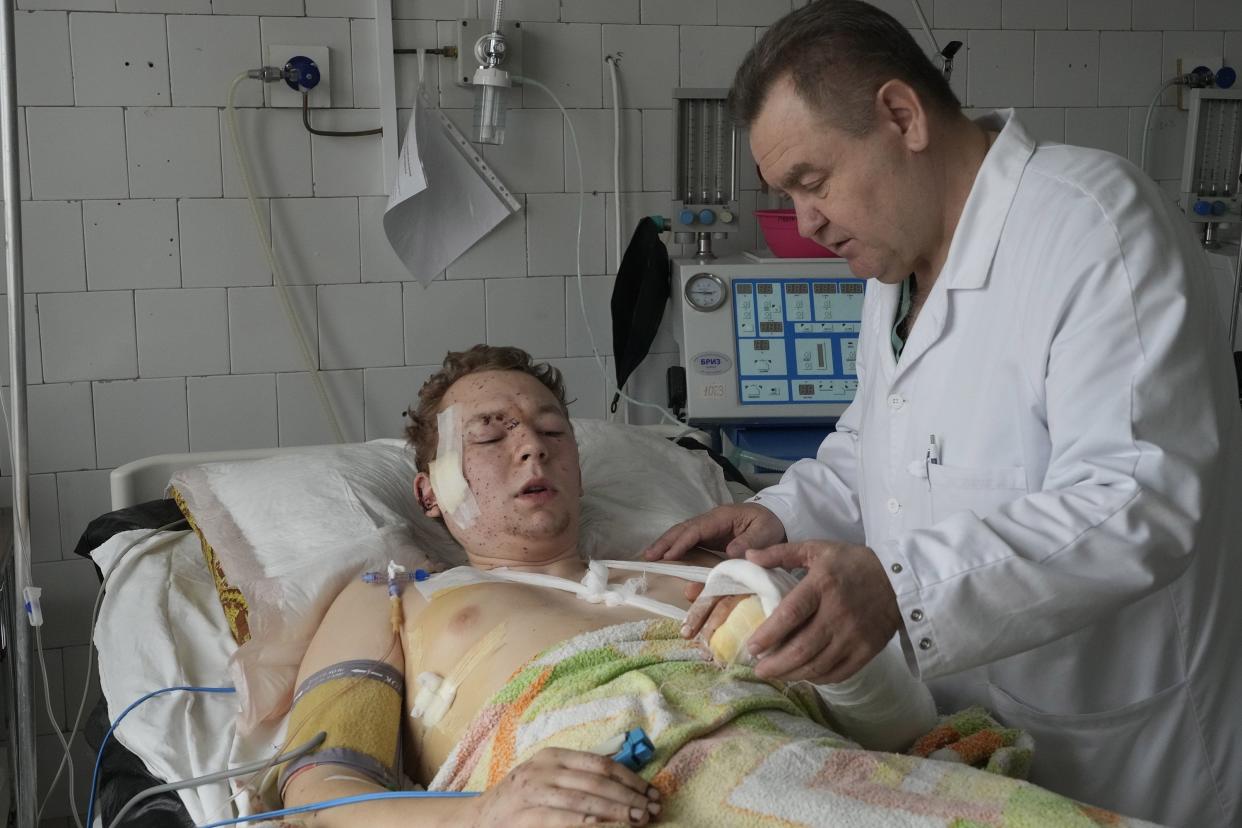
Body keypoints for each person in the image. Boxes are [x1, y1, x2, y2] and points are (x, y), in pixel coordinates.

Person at [643, 2, 1242, 826]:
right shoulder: (895, 265)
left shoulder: (1092, 226)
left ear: (901, 115)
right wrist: (772, 516)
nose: (805, 221)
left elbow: (1139, 497)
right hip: (956, 744)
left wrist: (901, 588)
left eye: (812, 182)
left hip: (1114, 753)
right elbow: (873, 448)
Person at [276, 345, 1155, 828]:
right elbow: (319, 792)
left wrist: (841, 665)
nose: (532, 447)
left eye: (551, 428)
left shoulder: (697, 579)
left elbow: (898, 733)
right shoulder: (394, 593)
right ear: (428, 488)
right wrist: (477, 820)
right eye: (491, 433)